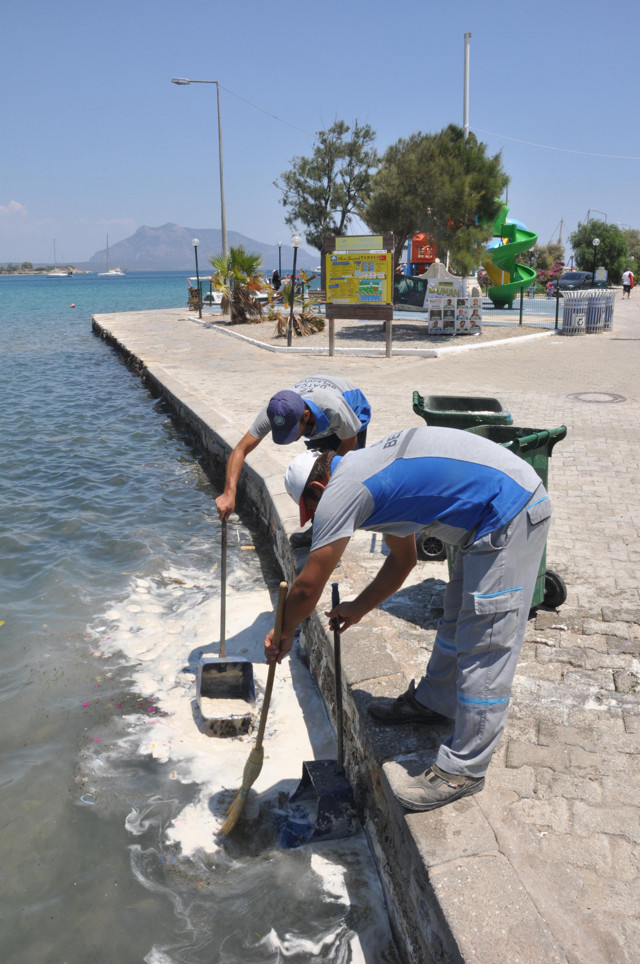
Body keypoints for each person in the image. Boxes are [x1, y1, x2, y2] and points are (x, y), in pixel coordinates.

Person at [264, 427, 552, 812]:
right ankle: (436, 703)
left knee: (486, 640)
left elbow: (305, 588)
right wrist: (360, 606)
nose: (317, 520)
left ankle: (464, 768)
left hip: (508, 511)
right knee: (456, 618)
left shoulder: (343, 490)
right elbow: (404, 560)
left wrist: (281, 631)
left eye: (312, 509)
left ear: (320, 485)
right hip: (485, 519)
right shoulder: (366, 477)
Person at [214, 375, 372, 527]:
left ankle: (336, 527)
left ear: (306, 415)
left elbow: (350, 441)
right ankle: (319, 526)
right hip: (319, 419)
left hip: (351, 406)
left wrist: (331, 478)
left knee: (342, 476)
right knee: (315, 477)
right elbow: (241, 449)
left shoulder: (334, 409)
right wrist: (229, 492)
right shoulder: (276, 411)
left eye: (292, 430)